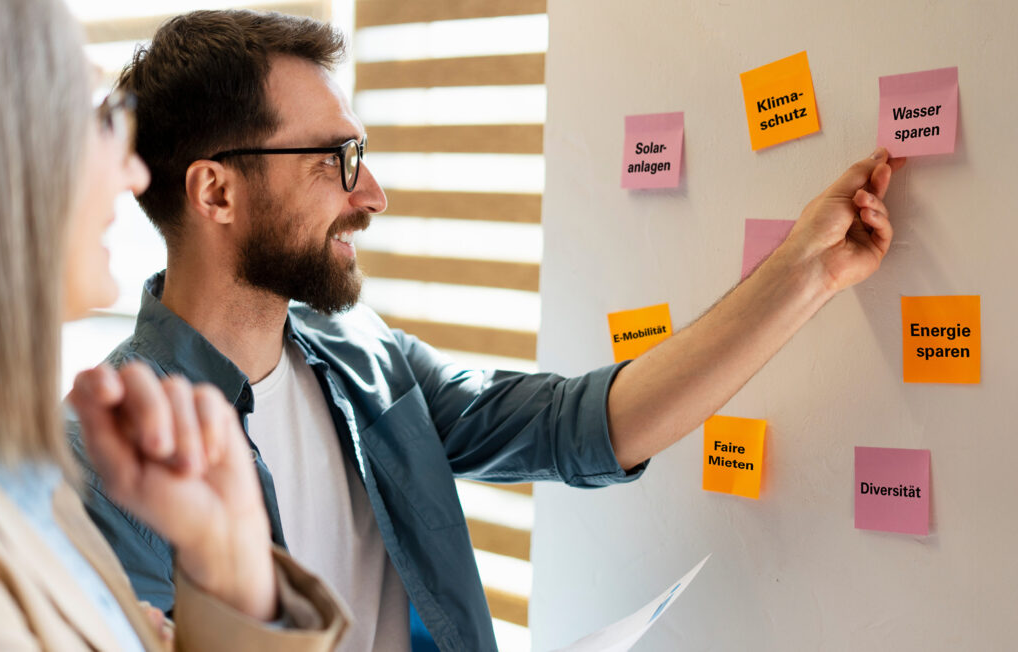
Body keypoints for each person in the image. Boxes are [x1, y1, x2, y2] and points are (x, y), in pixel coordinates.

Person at [66, 8, 905, 652]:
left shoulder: (368, 360)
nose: (374, 196)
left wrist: (811, 270)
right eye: (338, 160)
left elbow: (586, 423)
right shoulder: (103, 456)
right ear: (215, 194)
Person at [0, 1, 351, 649]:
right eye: (97, 119)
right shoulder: (83, 466)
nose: (132, 175)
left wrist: (229, 572)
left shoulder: (28, 484)